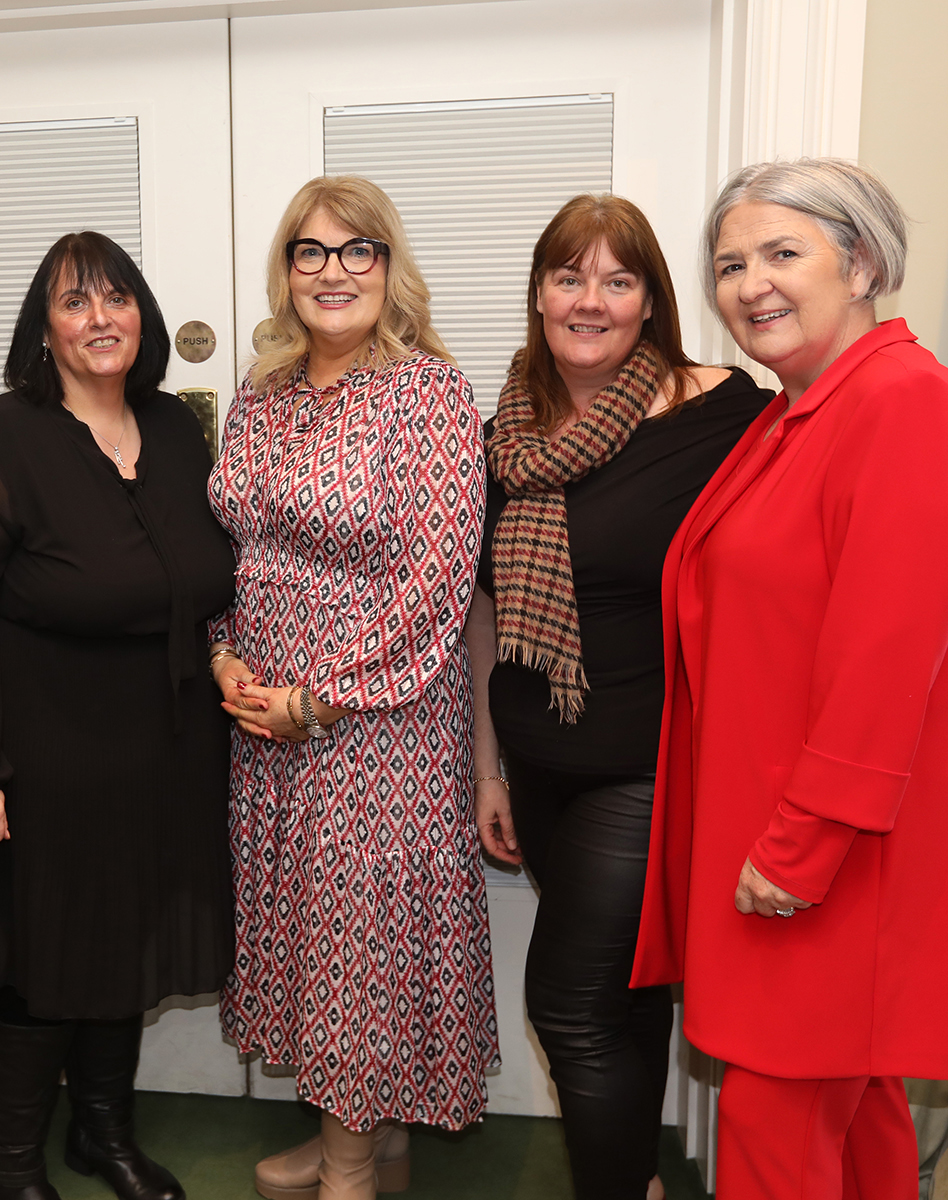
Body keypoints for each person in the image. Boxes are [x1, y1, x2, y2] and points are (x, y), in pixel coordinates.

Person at [631, 158, 948, 1198]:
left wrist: (802, 846)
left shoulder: (901, 402)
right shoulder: (791, 413)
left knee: (776, 1127)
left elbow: (885, 657)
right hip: (784, 841)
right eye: (730, 265)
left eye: (781, 253)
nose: (750, 284)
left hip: (822, 859)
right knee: (855, 1119)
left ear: (860, 265)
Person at [0, 231, 235, 1200]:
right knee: (43, 956)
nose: (101, 318)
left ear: (143, 316)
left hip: (165, 749)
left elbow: (203, 579)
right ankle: (7, 1165)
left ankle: (103, 1135)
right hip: (39, 758)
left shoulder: (174, 428)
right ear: (43, 330)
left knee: (125, 942)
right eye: (74, 301)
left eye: (117, 297)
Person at [465, 194, 772, 1200]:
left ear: (651, 301)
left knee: (569, 1006)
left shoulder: (723, 413)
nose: (589, 301)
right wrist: (488, 769)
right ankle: (635, 1178)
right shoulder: (501, 434)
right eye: (569, 277)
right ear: (538, 295)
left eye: (618, 279)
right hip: (537, 763)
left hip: (647, 767)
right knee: (629, 997)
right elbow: (485, 609)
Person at [207, 175, 494, 1200]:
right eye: (311, 251)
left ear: (389, 265)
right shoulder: (261, 394)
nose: (334, 271)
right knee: (307, 929)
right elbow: (229, 550)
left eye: (357, 249)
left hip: (378, 718)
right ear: (286, 272)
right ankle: (373, 1137)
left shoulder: (431, 393)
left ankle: (349, 1169)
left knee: (359, 940)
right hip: (264, 711)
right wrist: (224, 657)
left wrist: (321, 697)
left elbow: (440, 577)